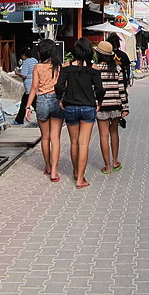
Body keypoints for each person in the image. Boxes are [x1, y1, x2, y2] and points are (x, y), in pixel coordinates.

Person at [55, 38, 104, 189]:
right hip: (88, 107)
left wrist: (60, 99)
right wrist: (99, 103)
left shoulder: (67, 66)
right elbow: (100, 89)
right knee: (84, 143)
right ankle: (80, 179)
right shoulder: (93, 68)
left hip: (70, 107)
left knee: (74, 142)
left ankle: (76, 172)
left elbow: (58, 85)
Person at [24, 40, 64, 181]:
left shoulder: (37, 67)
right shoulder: (59, 66)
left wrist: (27, 107)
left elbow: (34, 88)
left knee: (45, 137)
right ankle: (54, 171)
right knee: (56, 138)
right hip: (57, 101)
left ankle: (47, 166)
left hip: (41, 101)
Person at [93, 41, 129, 174]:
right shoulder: (117, 69)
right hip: (116, 105)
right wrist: (125, 107)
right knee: (114, 132)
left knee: (103, 135)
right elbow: (122, 89)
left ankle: (107, 166)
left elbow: (94, 89)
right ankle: (115, 161)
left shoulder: (95, 68)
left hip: (101, 106)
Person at [14, 47, 38, 125]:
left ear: (24, 55)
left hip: (28, 86)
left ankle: (42, 118)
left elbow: (24, 75)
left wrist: (17, 73)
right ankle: (19, 120)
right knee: (24, 102)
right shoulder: (35, 60)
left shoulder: (26, 62)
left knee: (33, 103)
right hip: (35, 82)